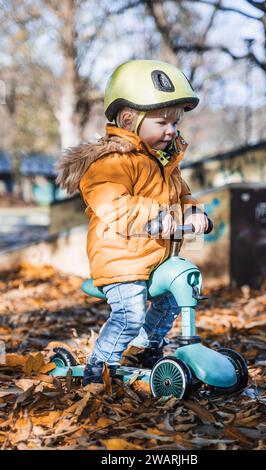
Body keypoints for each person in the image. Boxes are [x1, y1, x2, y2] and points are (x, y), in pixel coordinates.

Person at [57, 59, 208, 385]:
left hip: (155, 257)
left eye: (175, 122)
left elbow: (182, 196)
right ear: (129, 119)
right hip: (120, 259)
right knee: (130, 314)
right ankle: (100, 367)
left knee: (173, 298)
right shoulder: (111, 163)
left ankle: (143, 350)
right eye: (162, 122)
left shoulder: (165, 163)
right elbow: (112, 204)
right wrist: (155, 216)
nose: (171, 130)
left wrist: (194, 214)